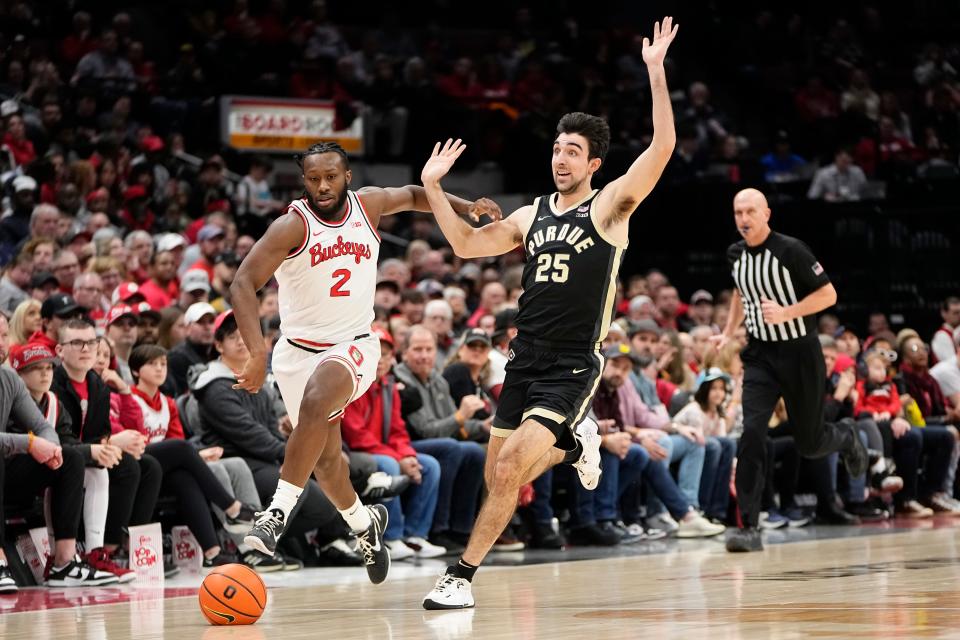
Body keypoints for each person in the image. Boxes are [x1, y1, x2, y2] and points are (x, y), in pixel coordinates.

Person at [418, 17, 679, 609]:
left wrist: (656, 74)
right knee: (497, 480)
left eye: (573, 151)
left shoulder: (611, 209)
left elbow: (662, 148)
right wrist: (433, 187)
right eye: (557, 147)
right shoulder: (532, 214)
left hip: (570, 363)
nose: (561, 158)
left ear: (593, 165)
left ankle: (460, 577)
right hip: (524, 360)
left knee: (508, 469)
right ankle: (575, 446)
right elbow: (465, 245)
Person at [232, 140, 501, 586]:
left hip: (354, 344)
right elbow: (243, 283)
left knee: (319, 401)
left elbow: (416, 195)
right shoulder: (290, 227)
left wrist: (464, 205)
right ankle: (363, 523)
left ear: (347, 176)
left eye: (330, 177)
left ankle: (275, 514)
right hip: (298, 352)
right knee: (326, 462)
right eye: (313, 178)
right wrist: (258, 353)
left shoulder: (368, 205)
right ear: (304, 181)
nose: (322, 185)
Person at [714, 187, 868, 553]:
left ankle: (845, 435)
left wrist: (787, 312)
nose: (744, 219)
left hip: (800, 352)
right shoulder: (735, 254)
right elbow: (740, 292)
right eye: (738, 213)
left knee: (811, 443)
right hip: (760, 355)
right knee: (751, 433)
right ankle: (749, 526)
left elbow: (828, 295)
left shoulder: (792, 250)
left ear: (767, 213)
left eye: (750, 211)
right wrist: (728, 331)